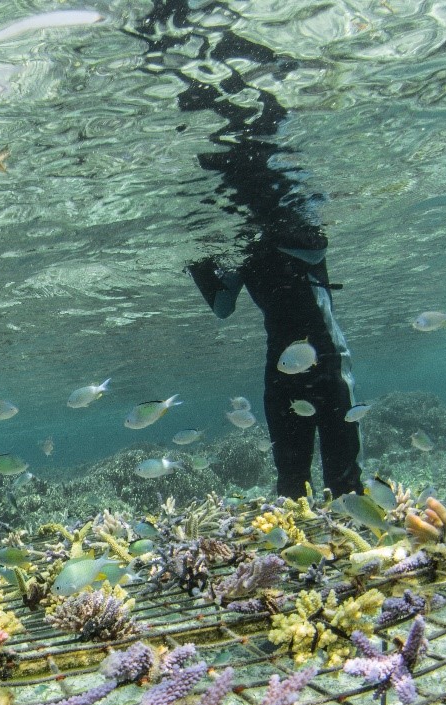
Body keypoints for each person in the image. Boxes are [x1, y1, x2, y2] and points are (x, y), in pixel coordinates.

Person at [132, 0, 364, 497]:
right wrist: (198, 259)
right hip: (280, 366)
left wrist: (254, 236)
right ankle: (176, 42)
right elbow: (222, 306)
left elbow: (313, 250)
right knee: (290, 479)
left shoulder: (286, 230)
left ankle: (223, 47)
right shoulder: (246, 244)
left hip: (325, 357)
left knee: (344, 478)